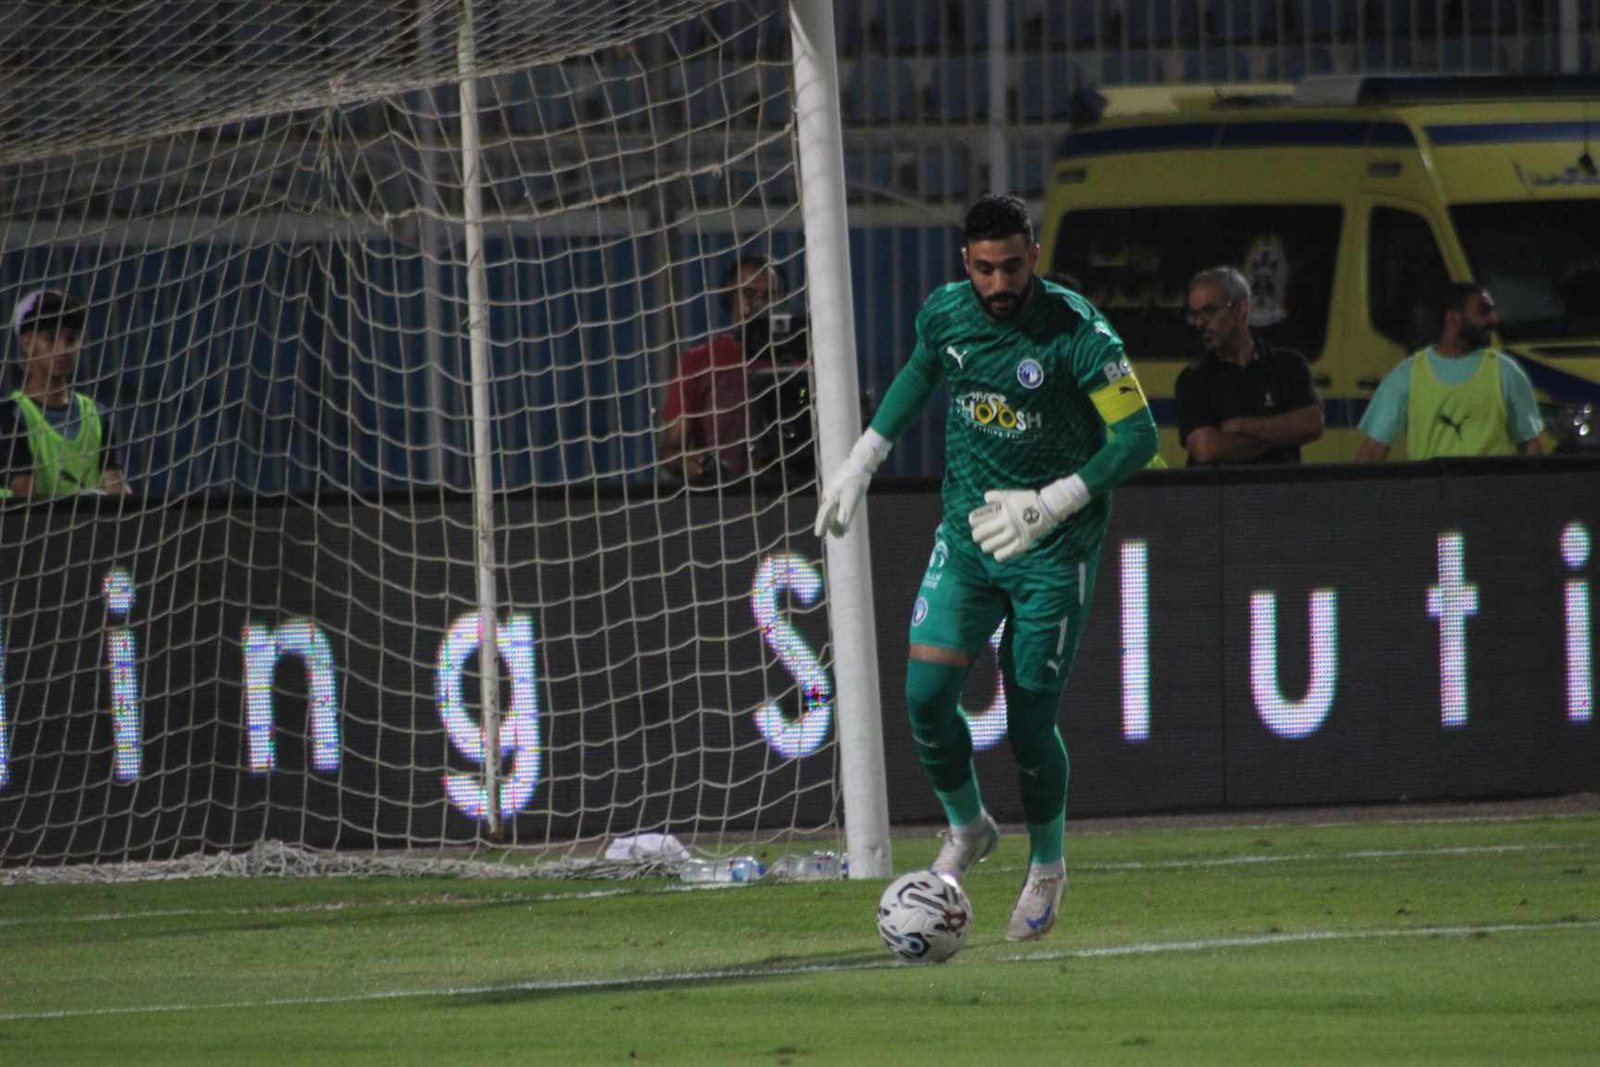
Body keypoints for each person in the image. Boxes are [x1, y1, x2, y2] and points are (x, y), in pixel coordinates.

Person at [814, 195, 1158, 941]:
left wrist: (1053, 502)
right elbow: (920, 372)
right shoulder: (947, 314)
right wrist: (863, 458)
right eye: (983, 269)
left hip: (1054, 549)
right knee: (925, 694)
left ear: (1033, 255)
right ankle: (969, 826)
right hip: (971, 537)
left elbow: (1138, 436)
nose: (998, 284)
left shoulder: (1079, 333)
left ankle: (1048, 865)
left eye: (1010, 266)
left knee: (1031, 719)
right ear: (964, 264)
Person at [1354, 282, 1543, 462]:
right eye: (1483, 311)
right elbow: (1373, 450)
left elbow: (1530, 445)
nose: (1494, 319)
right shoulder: (1406, 376)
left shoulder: (1506, 371)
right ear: (1453, 318)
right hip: (1434, 486)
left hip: (1489, 486)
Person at [657, 255, 787, 487]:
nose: (759, 304)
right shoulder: (698, 361)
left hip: (793, 492)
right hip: (723, 496)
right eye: (749, 294)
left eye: (769, 296)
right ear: (730, 299)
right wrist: (698, 464)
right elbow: (670, 451)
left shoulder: (800, 358)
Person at [1175, 265, 1324, 465]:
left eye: (1209, 311)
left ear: (1239, 310)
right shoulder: (1194, 378)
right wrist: (1281, 435)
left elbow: (1312, 424)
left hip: (1278, 485)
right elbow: (1207, 449)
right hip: (1220, 487)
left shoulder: (1288, 365)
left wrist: (1244, 426)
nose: (1200, 322)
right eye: (1195, 314)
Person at [1, 289, 128, 499]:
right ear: (27, 344)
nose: (63, 349)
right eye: (50, 339)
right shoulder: (10, 416)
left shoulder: (96, 414)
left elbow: (116, 487)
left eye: (70, 339)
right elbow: (25, 498)